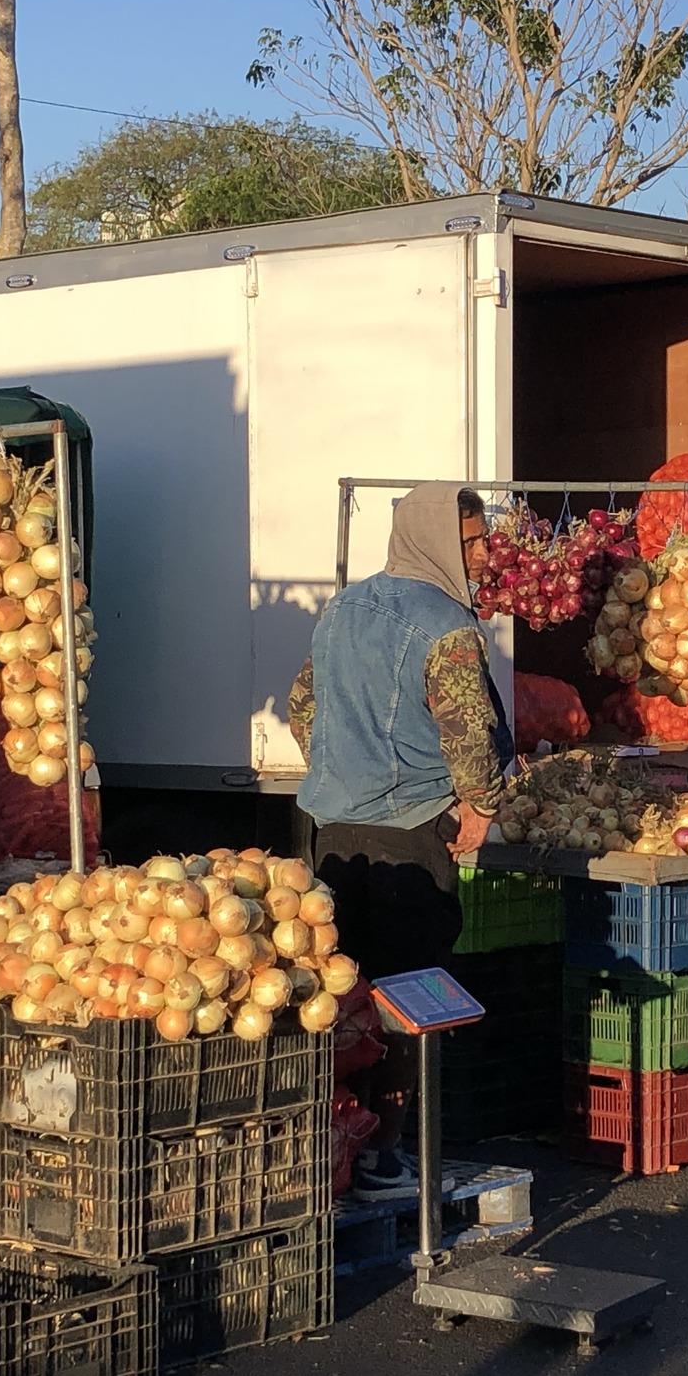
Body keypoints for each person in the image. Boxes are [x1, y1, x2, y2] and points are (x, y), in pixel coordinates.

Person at [289, 483, 509, 1196]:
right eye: (471, 541)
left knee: (335, 989)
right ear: (440, 541)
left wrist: (341, 766)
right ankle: (383, 1151)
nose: (480, 554)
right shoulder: (446, 625)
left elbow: (303, 706)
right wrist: (479, 805)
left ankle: (333, 1145)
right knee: (408, 996)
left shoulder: (343, 608)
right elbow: (469, 731)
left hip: (328, 831)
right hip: (410, 834)